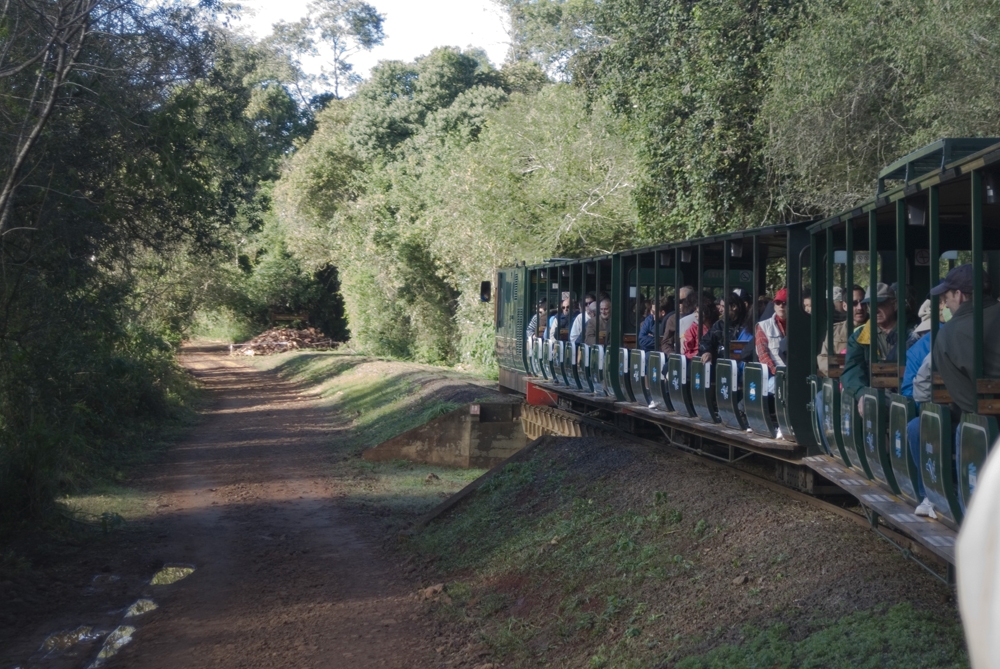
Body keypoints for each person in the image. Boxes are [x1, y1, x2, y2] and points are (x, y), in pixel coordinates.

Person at [931, 265, 1000, 415]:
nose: (947, 305)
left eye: (947, 298)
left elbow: (967, 401)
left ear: (958, 295)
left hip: (988, 425)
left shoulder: (948, 335)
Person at [841, 283, 910, 404]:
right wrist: (862, 394)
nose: (875, 309)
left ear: (894, 304)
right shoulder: (859, 337)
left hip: (908, 395)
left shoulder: (911, 332)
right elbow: (852, 370)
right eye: (871, 305)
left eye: (881, 304)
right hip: (875, 397)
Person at [817, 285, 868, 373]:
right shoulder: (835, 331)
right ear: (844, 306)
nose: (860, 307)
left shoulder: (877, 329)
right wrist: (840, 371)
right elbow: (823, 359)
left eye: (863, 302)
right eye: (854, 303)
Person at [700, 293, 749, 365]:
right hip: (721, 366)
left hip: (742, 366)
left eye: (723, 306)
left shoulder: (748, 325)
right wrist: (707, 351)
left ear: (734, 307)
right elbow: (706, 340)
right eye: (720, 306)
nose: (720, 309)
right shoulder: (719, 325)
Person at [755, 287, 787, 378]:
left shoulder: (799, 325)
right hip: (774, 375)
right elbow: (763, 354)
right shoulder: (763, 326)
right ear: (774, 305)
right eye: (778, 303)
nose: (781, 306)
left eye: (785, 303)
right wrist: (777, 372)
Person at [660, 286, 695, 356]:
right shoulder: (673, 319)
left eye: (682, 301)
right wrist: (674, 356)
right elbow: (666, 343)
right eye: (676, 301)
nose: (679, 305)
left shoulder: (699, 317)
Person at [683, 293, 718, 359]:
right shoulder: (693, 328)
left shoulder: (717, 327)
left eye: (698, 312)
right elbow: (687, 350)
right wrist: (698, 356)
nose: (695, 315)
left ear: (707, 312)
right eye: (695, 312)